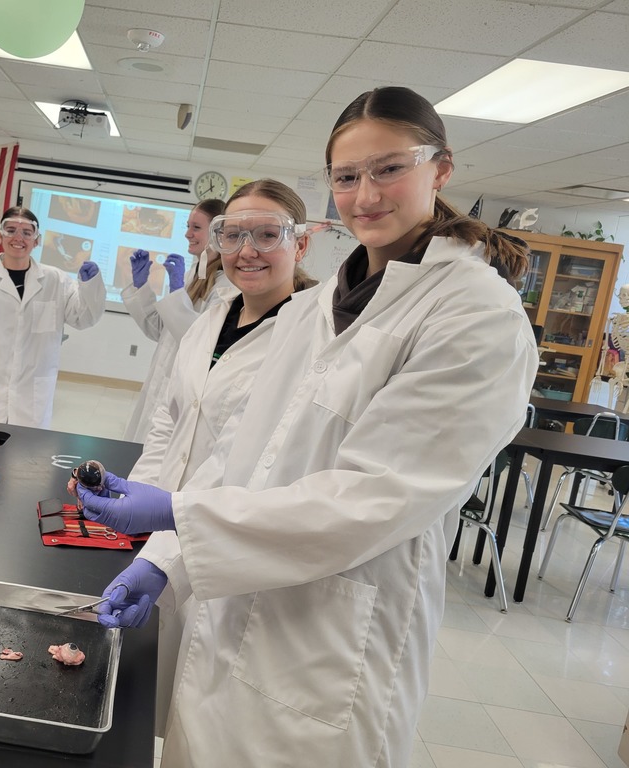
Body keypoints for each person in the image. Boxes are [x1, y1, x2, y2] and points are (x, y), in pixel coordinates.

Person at [77, 86, 539, 767]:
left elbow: (375, 499)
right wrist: (163, 559)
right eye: (347, 177)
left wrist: (182, 512)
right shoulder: (314, 308)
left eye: (390, 168)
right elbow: (241, 449)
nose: (366, 194)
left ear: (440, 170)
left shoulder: (476, 317)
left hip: (332, 642)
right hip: (233, 609)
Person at [121, 179, 318, 737]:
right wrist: (136, 502)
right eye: (233, 234)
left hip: (228, 543)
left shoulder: (310, 338)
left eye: (267, 234)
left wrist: (167, 519)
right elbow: (170, 417)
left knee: (206, 710)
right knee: (148, 702)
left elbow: (244, 458)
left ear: (300, 245)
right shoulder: (211, 318)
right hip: (168, 528)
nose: (247, 250)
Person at [0, 207, 105, 428]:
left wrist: (90, 287)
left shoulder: (55, 280)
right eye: (11, 230)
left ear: (36, 240)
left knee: (24, 456)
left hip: (32, 392)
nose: (18, 238)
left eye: (27, 232)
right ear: (0, 236)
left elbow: (84, 318)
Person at [121, 199, 238, 442]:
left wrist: (177, 295)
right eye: (188, 226)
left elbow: (202, 343)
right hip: (160, 384)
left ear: (219, 233)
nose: (187, 234)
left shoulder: (228, 286)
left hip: (184, 394)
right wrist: (142, 286)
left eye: (196, 227)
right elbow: (160, 331)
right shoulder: (190, 275)